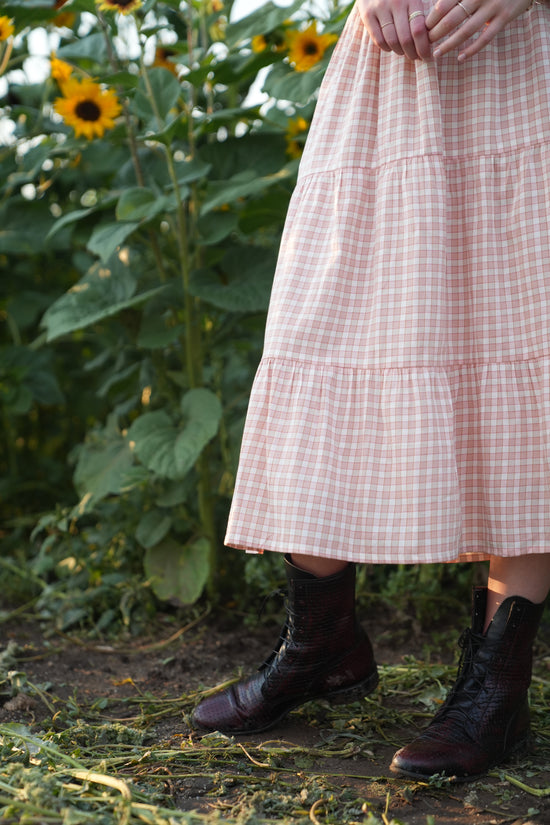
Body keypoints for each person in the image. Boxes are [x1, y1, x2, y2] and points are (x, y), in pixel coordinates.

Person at [192, 0, 550, 781]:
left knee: (526, 329)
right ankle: (323, 643)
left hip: (528, 53)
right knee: (327, 323)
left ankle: (498, 683)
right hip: (391, 66)